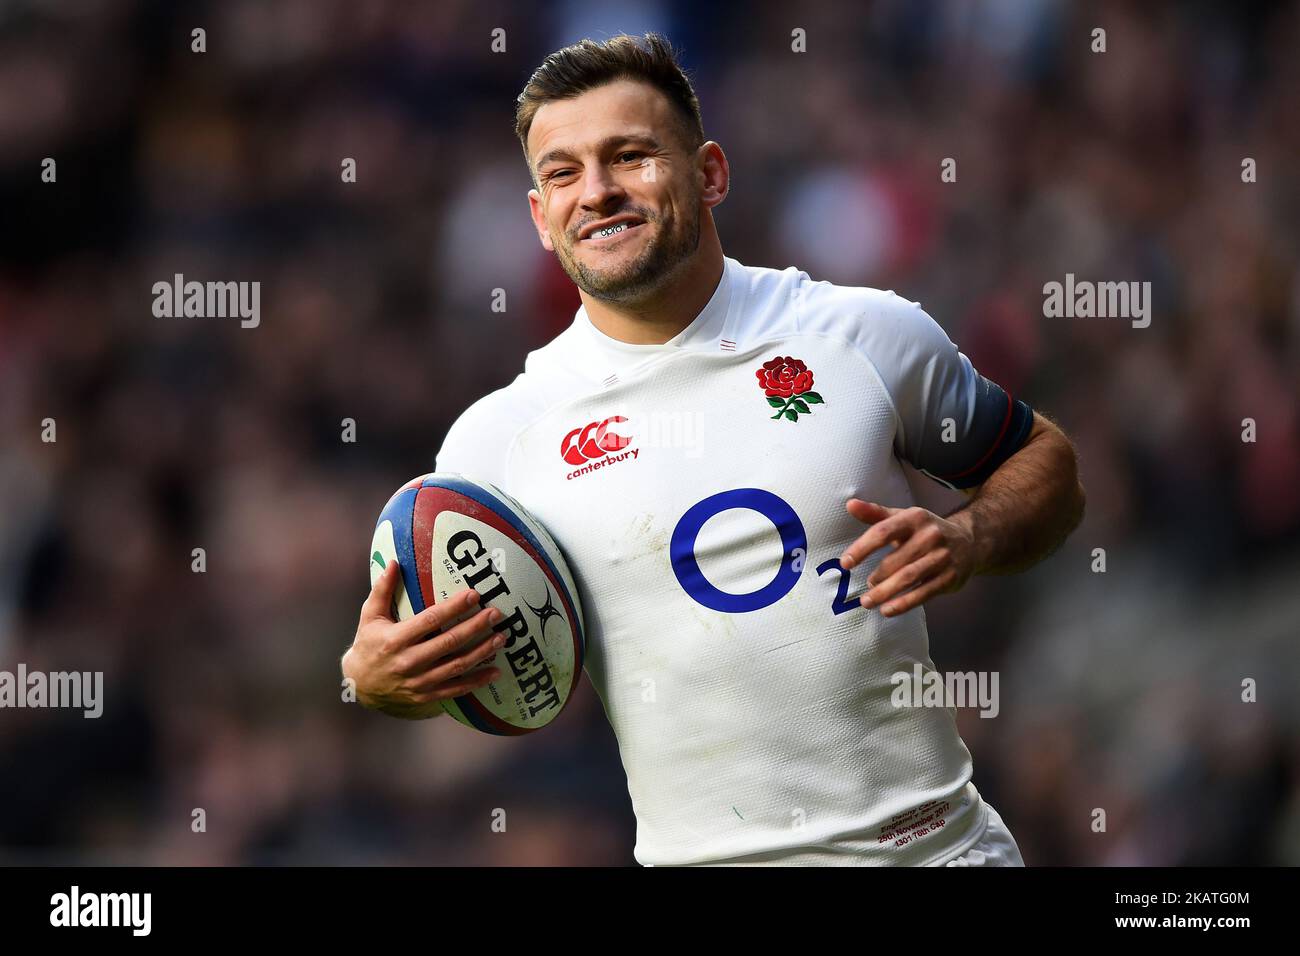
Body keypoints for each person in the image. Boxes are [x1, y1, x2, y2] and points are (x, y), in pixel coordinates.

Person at [343, 33, 1085, 866]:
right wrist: (374, 683)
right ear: (539, 219)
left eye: (630, 156)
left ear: (710, 174)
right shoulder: (494, 446)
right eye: (562, 173)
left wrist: (970, 537)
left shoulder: (860, 335)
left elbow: (1046, 464)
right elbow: (440, 669)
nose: (596, 192)